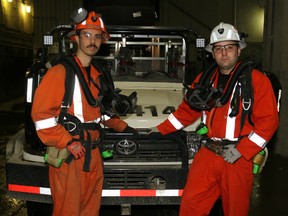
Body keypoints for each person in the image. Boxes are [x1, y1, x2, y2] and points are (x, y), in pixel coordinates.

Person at [150, 22, 279, 216]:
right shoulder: (205, 79)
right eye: (219, 48)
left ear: (239, 50)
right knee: (191, 205)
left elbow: (269, 121)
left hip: (237, 157)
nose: (224, 53)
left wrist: (243, 150)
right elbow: (187, 111)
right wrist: (161, 129)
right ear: (212, 52)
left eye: (229, 47)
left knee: (235, 210)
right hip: (208, 153)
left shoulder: (256, 81)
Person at [32, 10, 136, 216]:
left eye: (97, 36)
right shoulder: (60, 73)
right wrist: (68, 142)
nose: (93, 41)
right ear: (76, 38)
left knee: (90, 210)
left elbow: (100, 113)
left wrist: (125, 128)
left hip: (94, 153)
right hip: (71, 154)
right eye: (87, 35)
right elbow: (41, 117)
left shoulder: (98, 75)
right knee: (68, 211)